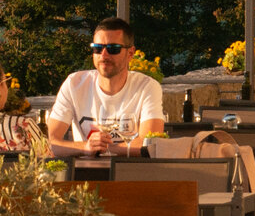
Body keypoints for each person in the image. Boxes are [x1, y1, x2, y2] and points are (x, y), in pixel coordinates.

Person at [46, 16, 166, 155]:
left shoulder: (147, 87)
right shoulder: (74, 84)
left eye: (113, 48)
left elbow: (151, 143)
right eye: (97, 48)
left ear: (130, 53)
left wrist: (103, 148)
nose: (104, 55)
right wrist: (86, 148)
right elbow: (51, 141)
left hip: (131, 173)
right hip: (85, 173)